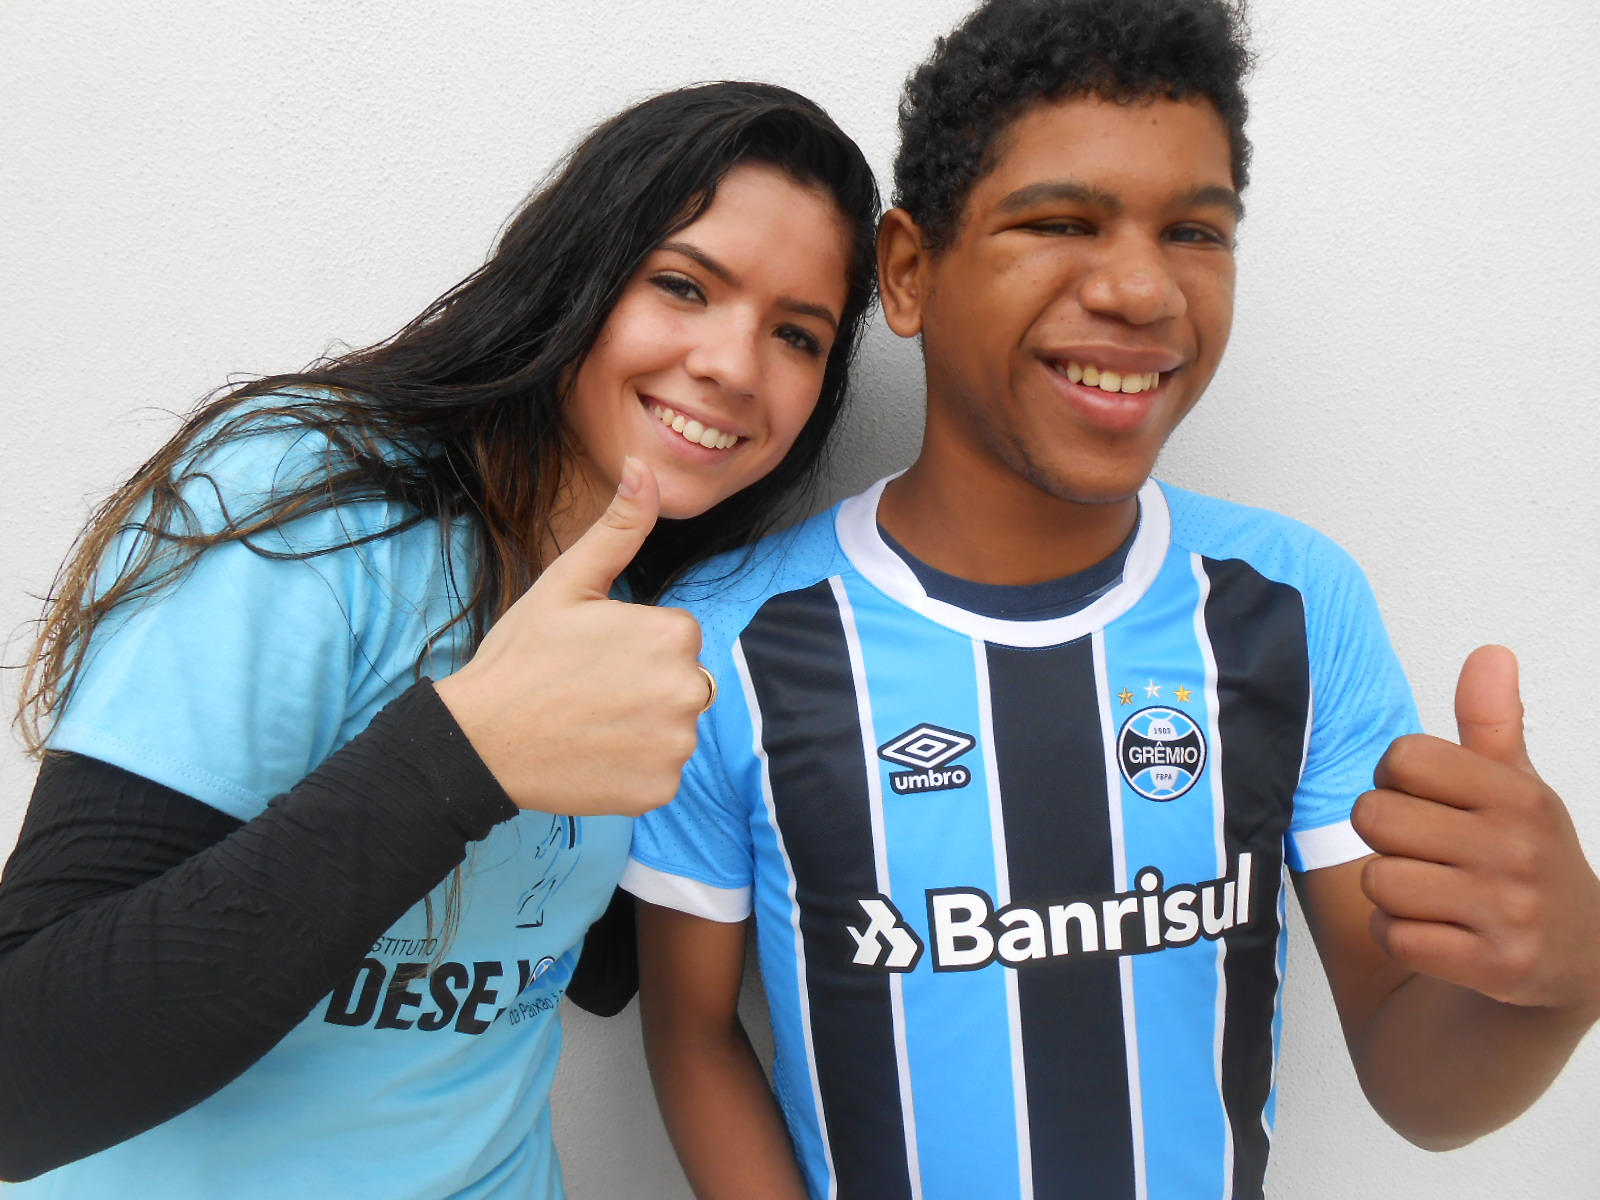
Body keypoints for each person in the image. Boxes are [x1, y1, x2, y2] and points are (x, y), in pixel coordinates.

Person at [623, 3, 1600, 1198]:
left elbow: (1417, 1089)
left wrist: (1560, 986)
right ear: (911, 270)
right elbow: (688, 1029)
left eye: (1194, 230)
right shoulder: (729, 639)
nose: (1141, 288)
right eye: (1061, 221)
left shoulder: (1293, 606)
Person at [0, 81, 878, 1198]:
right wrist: (462, 755)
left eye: (795, 335)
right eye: (681, 285)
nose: (734, 364)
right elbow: (21, 1075)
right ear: (578, 270)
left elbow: (579, 967)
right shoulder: (310, 504)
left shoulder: (656, 620)